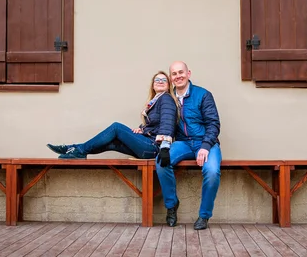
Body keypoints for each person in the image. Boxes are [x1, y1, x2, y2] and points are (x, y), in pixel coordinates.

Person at [46, 71, 179, 160]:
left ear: (168, 86)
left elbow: (167, 124)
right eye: (157, 79)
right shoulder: (155, 101)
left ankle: (77, 150)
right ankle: (73, 149)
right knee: (112, 143)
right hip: (148, 145)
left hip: (154, 148)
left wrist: (164, 149)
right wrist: (142, 128)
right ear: (153, 85)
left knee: (116, 128)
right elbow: (155, 123)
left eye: (164, 80)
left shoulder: (166, 99)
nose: (160, 81)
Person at [156, 61, 221, 230]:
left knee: (212, 171)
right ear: (171, 78)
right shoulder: (169, 99)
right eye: (174, 74)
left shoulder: (203, 94)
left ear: (188, 73)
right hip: (183, 143)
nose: (178, 76)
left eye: (181, 72)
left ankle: (204, 216)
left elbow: (213, 124)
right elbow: (163, 123)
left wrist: (205, 146)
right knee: (161, 161)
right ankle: (171, 206)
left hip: (206, 143)